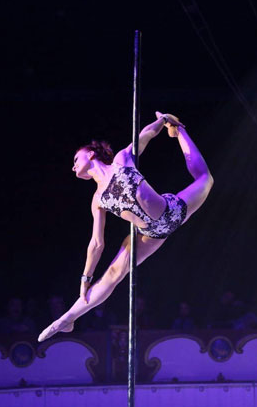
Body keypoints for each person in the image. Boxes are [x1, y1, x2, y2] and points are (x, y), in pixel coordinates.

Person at [38, 111, 213, 341]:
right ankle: (67, 318)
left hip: (172, 211)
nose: (72, 167)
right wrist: (85, 279)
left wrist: (162, 121)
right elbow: (97, 244)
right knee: (113, 273)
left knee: (205, 179)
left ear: (90, 154)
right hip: (152, 234)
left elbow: (146, 135)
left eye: (75, 160)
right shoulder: (97, 200)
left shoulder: (121, 159)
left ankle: (180, 130)